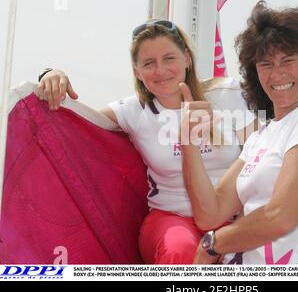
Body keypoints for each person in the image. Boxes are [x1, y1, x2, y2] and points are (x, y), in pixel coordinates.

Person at [35, 19, 256, 264]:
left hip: (231, 216)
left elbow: (262, 156)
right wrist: (51, 75)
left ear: (187, 59)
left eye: (169, 58)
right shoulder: (132, 110)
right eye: (149, 63)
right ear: (137, 72)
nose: (160, 71)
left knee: (248, 257)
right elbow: (73, 125)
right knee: (180, 252)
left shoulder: (227, 93)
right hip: (171, 220)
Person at [180, 0, 298, 264]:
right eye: (266, 64)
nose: (277, 74)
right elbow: (210, 213)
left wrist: (212, 244)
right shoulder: (262, 135)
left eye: (288, 60)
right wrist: (188, 142)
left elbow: (280, 216)